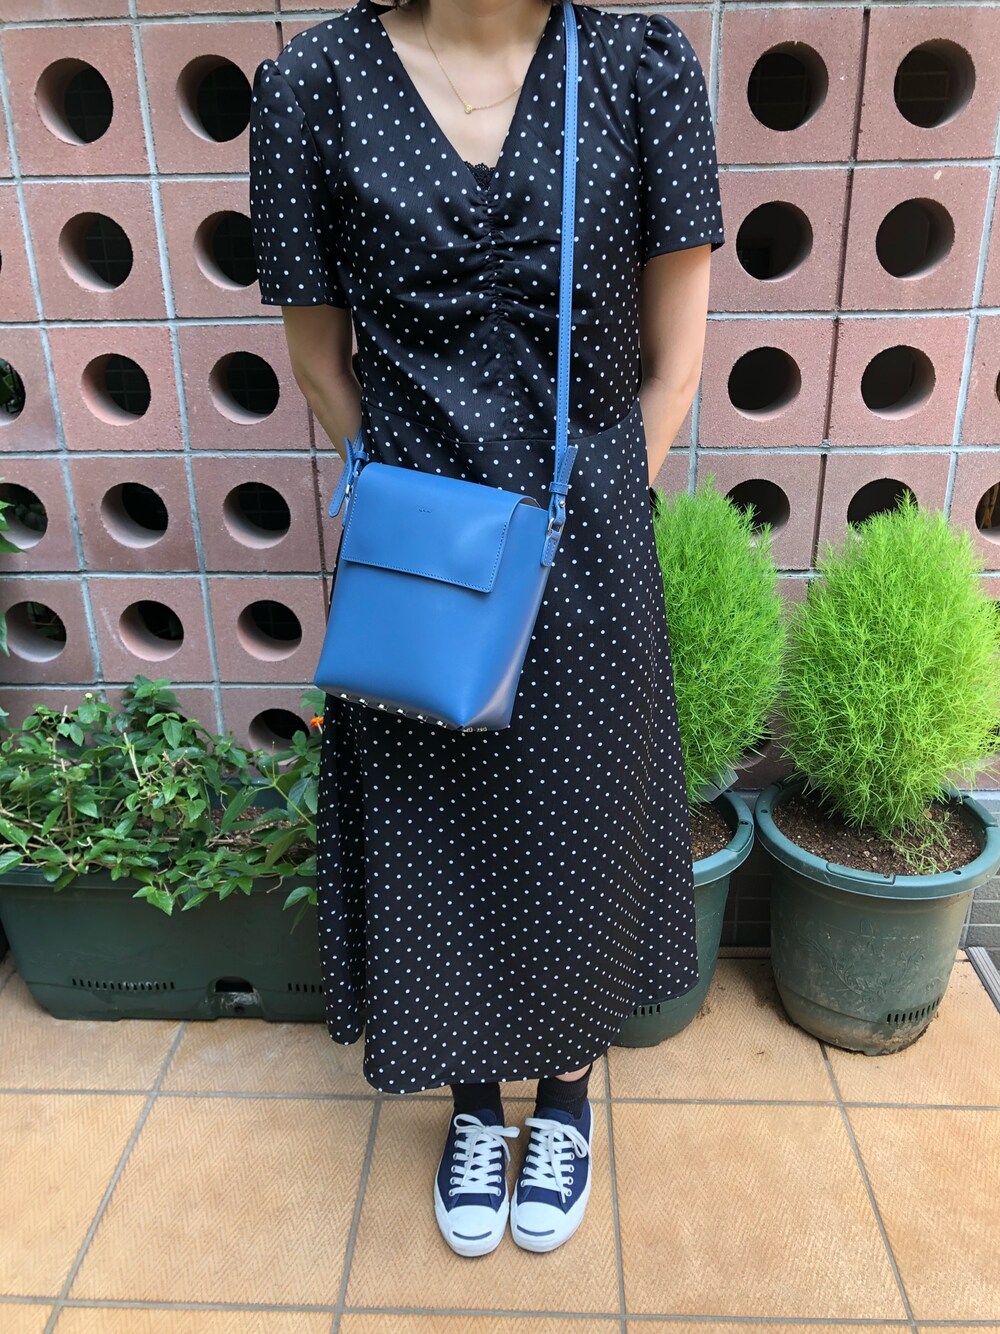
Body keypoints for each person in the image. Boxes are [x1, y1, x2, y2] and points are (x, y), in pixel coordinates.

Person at [248, 0, 725, 1258]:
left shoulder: (637, 68)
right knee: (436, 822)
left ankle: (562, 1095)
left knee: (581, 819)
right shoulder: (310, 87)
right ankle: (471, 1099)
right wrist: (432, 522)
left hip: (589, 533)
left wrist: (572, 521)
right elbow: (318, 359)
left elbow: (674, 361)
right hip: (424, 554)